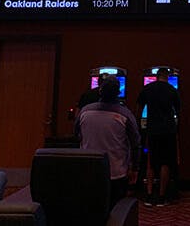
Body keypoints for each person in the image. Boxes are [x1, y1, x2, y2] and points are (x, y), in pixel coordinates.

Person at [75, 75, 141, 208]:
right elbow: (136, 144)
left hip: (89, 170)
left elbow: (77, 135)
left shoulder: (85, 112)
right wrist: (135, 169)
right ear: (118, 92)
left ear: (100, 90)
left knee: (91, 209)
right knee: (114, 210)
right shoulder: (125, 114)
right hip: (116, 172)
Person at [136, 68, 181, 206]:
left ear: (156, 76)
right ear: (166, 76)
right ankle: (162, 196)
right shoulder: (172, 90)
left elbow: (138, 107)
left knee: (150, 161)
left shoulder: (148, 88)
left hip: (152, 129)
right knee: (165, 163)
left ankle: (149, 195)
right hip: (168, 130)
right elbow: (178, 112)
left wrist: (140, 123)